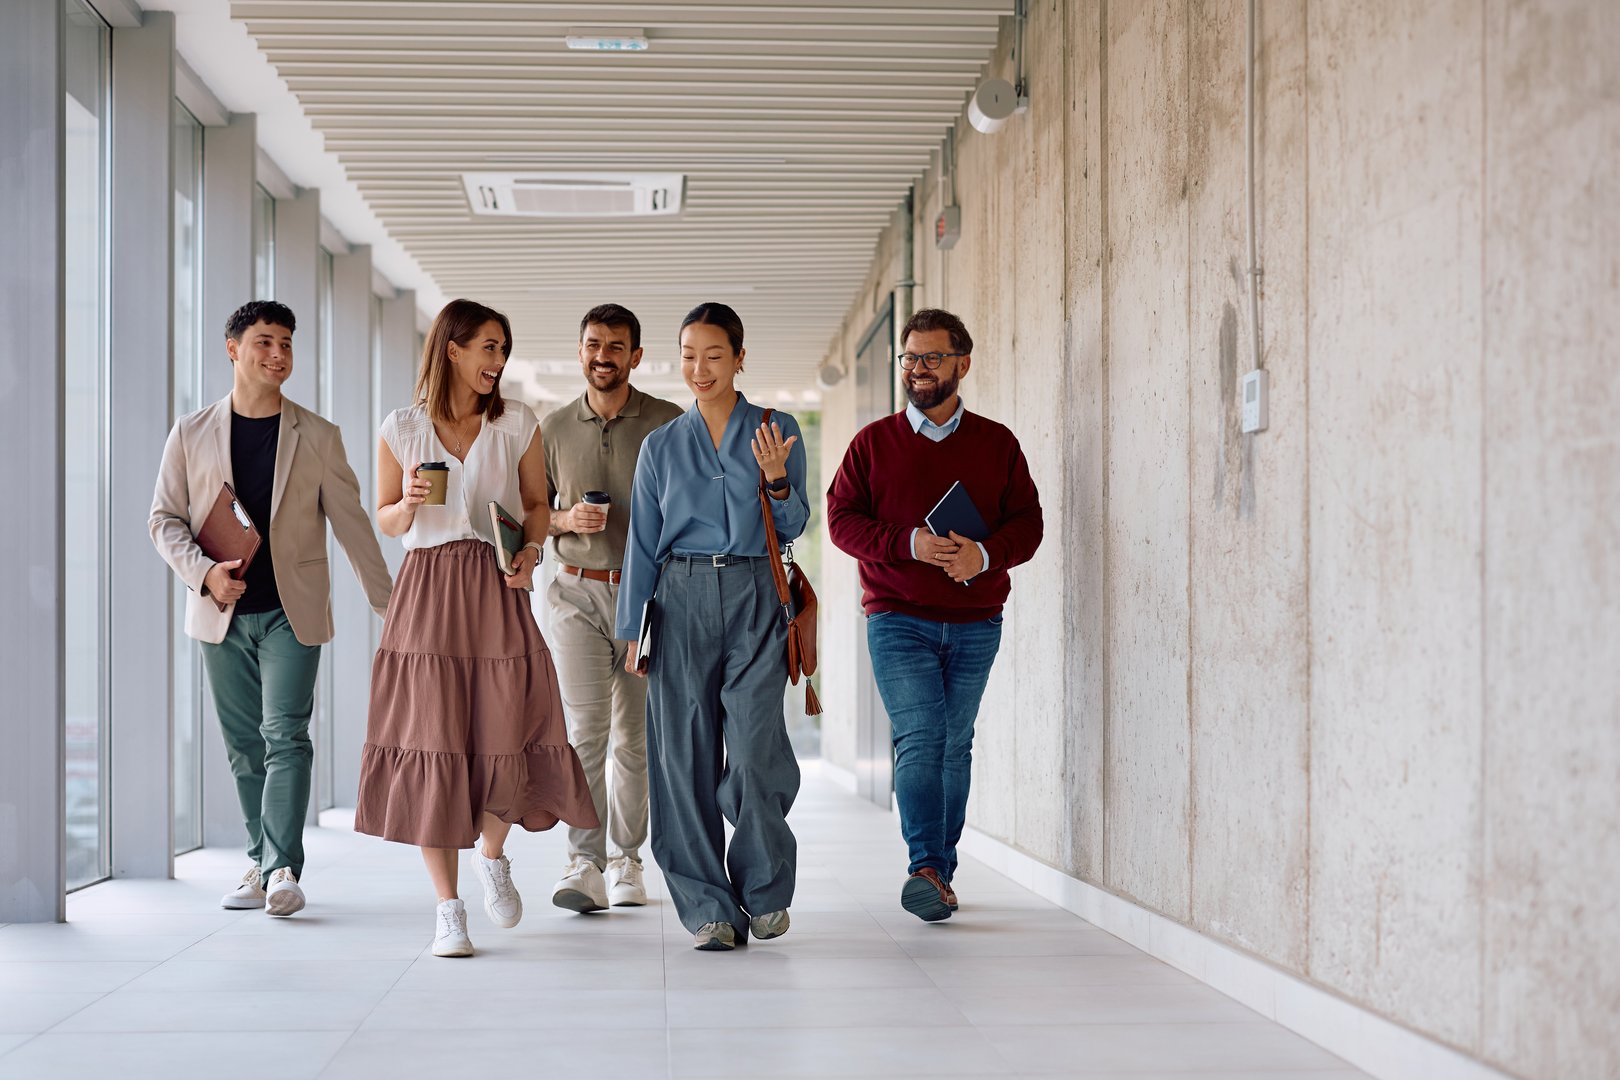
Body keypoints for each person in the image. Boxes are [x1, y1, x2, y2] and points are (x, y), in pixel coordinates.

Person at [354, 298, 597, 958]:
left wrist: (529, 552)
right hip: (427, 590)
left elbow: (540, 507)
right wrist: (404, 503)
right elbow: (385, 519)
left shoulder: (517, 422)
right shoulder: (400, 427)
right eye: (488, 347)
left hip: (496, 586)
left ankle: (493, 853)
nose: (498, 361)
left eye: (503, 349)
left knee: (511, 728)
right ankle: (448, 909)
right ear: (451, 349)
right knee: (432, 741)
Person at [150, 300, 394, 917]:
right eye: (264, 342)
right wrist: (206, 574)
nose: (277, 354)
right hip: (221, 613)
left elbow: (353, 524)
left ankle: (283, 866)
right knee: (243, 745)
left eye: (286, 343)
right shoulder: (190, 432)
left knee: (285, 735)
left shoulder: (318, 435)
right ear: (233, 349)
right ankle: (261, 862)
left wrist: (390, 603)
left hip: (292, 609)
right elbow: (163, 521)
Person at [826, 307, 1043, 922]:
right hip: (898, 617)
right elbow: (842, 520)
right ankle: (924, 866)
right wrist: (908, 543)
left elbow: (1029, 525)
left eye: (931, 358)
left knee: (954, 744)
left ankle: (939, 875)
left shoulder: (998, 444)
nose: (917, 369)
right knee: (921, 736)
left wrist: (984, 554)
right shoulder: (872, 444)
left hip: (977, 620)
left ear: (962, 364)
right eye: (910, 358)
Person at [615, 302, 809, 951]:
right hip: (679, 597)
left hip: (756, 592)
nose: (699, 368)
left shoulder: (776, 429)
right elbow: (642, 544)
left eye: (714, 355)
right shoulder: (661, 445)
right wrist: (632, 631)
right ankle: (707, 907)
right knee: (682, 755)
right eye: (689, 355)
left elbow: (795, 525)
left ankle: (763, 890)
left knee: (756, 748)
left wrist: (778, 481)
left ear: (740, 358)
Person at [542, 304, 683, 913]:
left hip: (646, 597)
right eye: (593, 344)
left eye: (616, 346)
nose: (604, 355)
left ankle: (628, 857)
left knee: (635, 737)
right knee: (583, 732)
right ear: (580, 352)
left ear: (635, 356)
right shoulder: (551, 428)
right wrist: (564, 519)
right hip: (572, 590)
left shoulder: (669, 422)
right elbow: (529, 513)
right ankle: (585, 861)